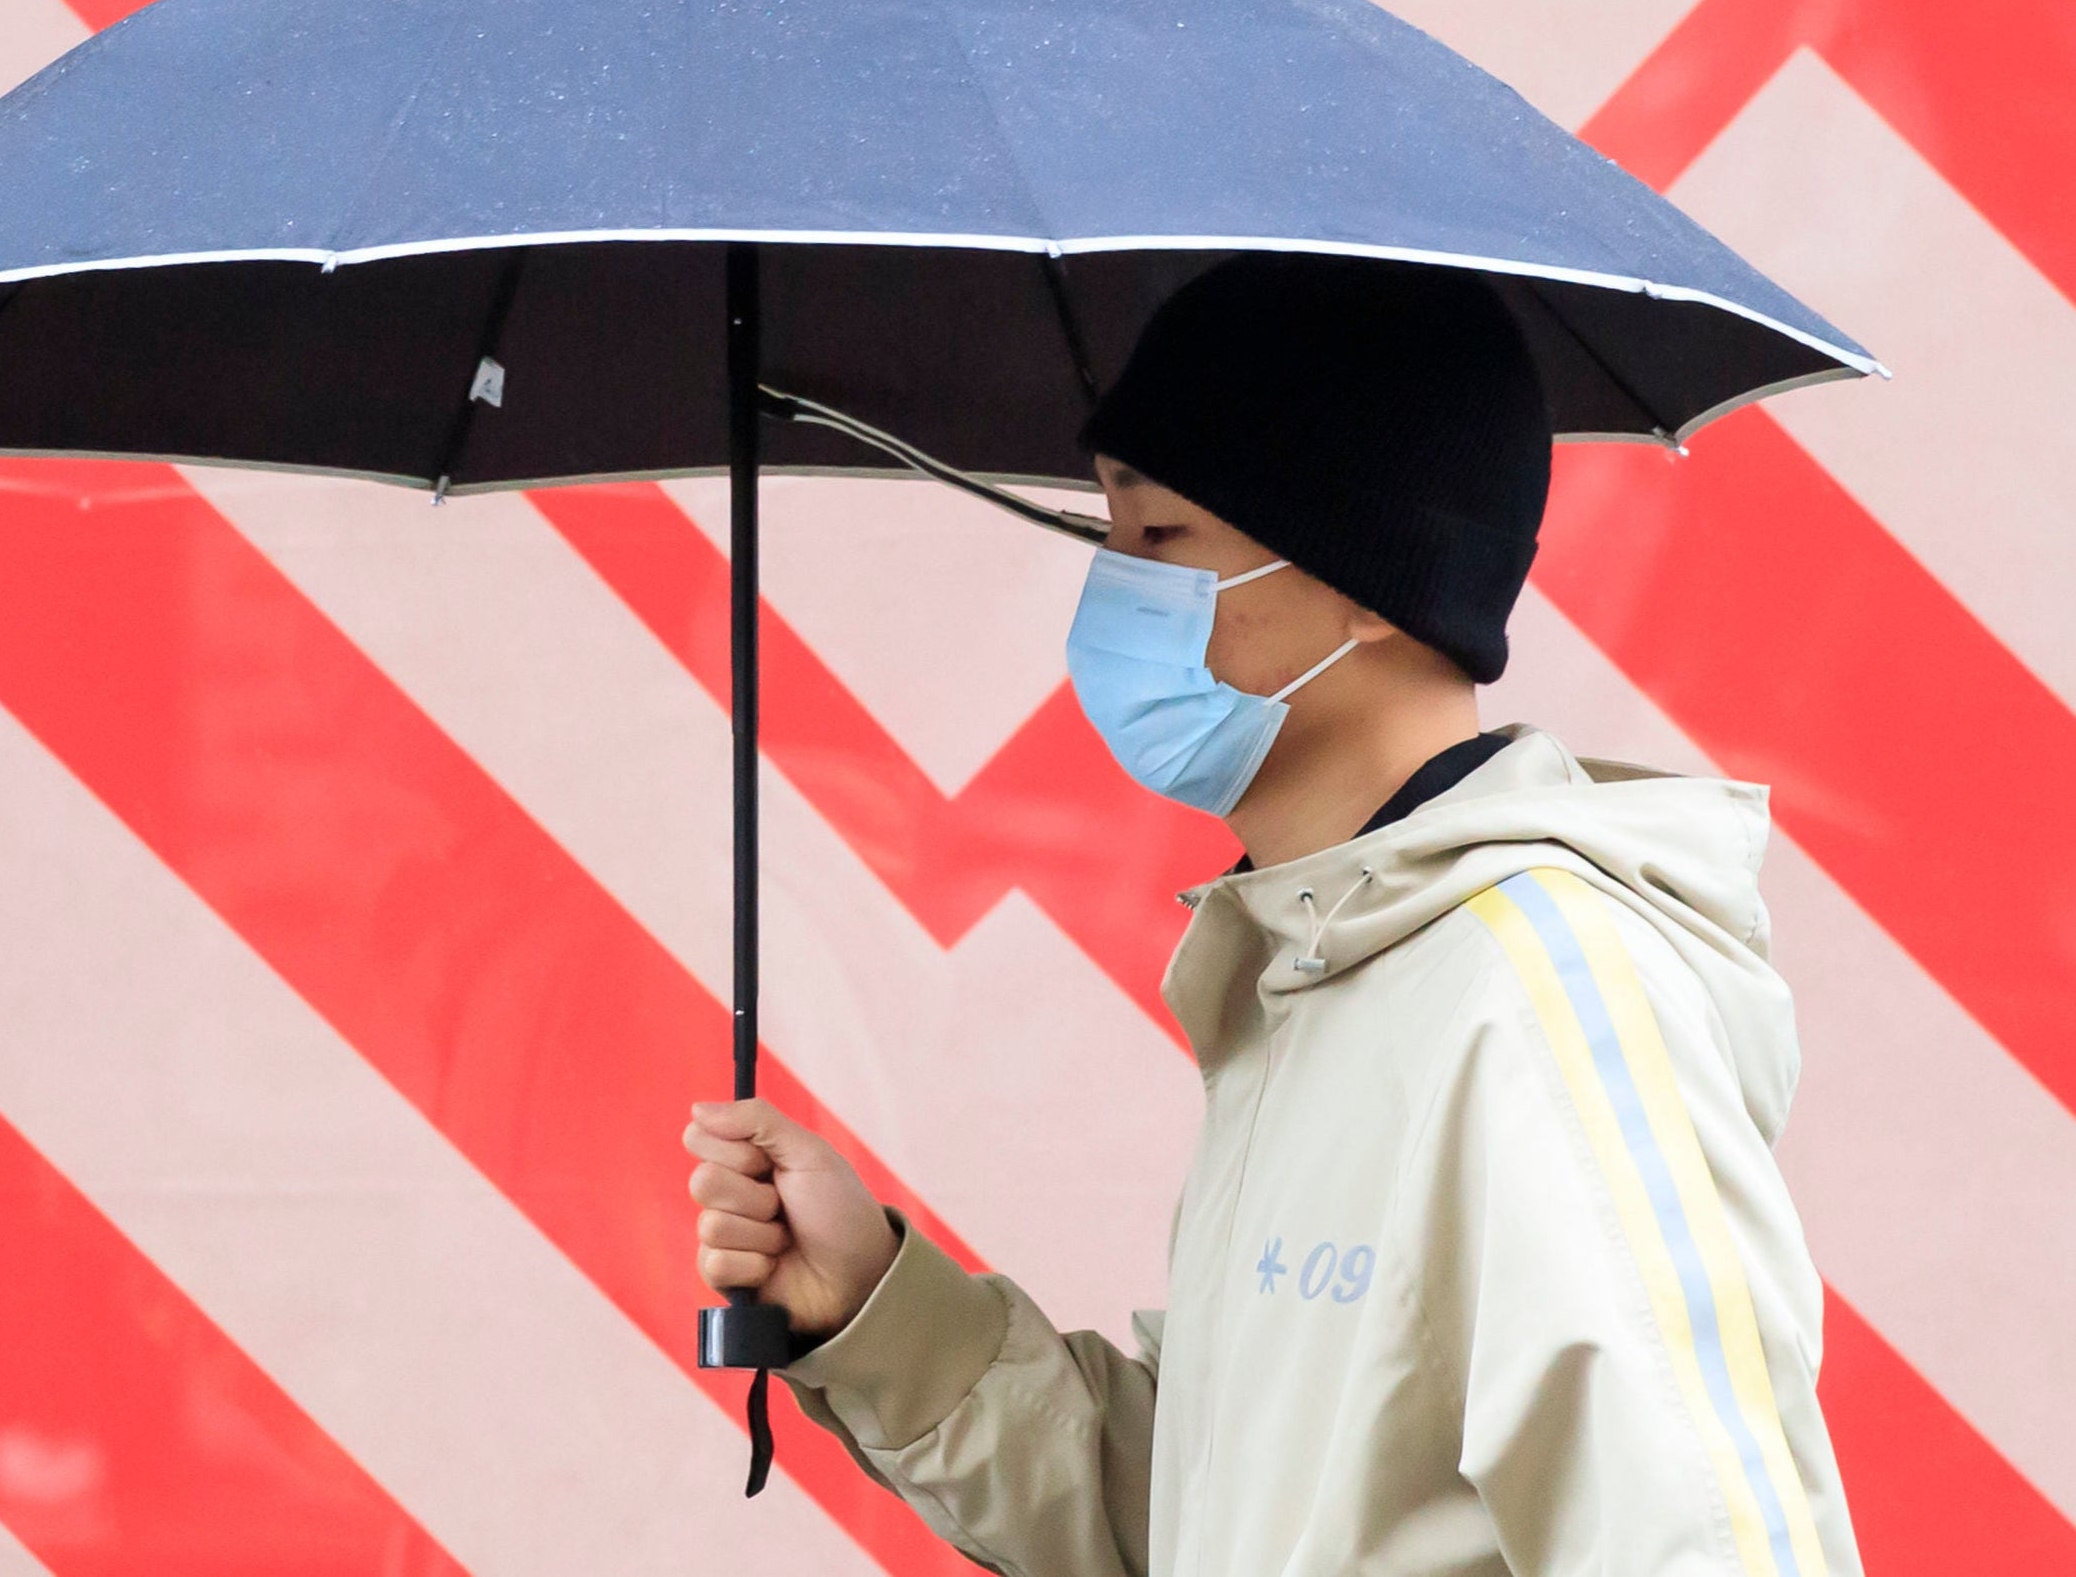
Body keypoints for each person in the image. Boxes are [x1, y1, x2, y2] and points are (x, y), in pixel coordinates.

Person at [682, 254, 1859, 1577]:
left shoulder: (1539, 996)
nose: (1109, 589)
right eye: (1109, 530)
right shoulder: (1332, 974)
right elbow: (1212, 1523)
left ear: (1370, 578)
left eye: (1160, 538)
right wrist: (882, 1312)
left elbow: (1706, 1545)